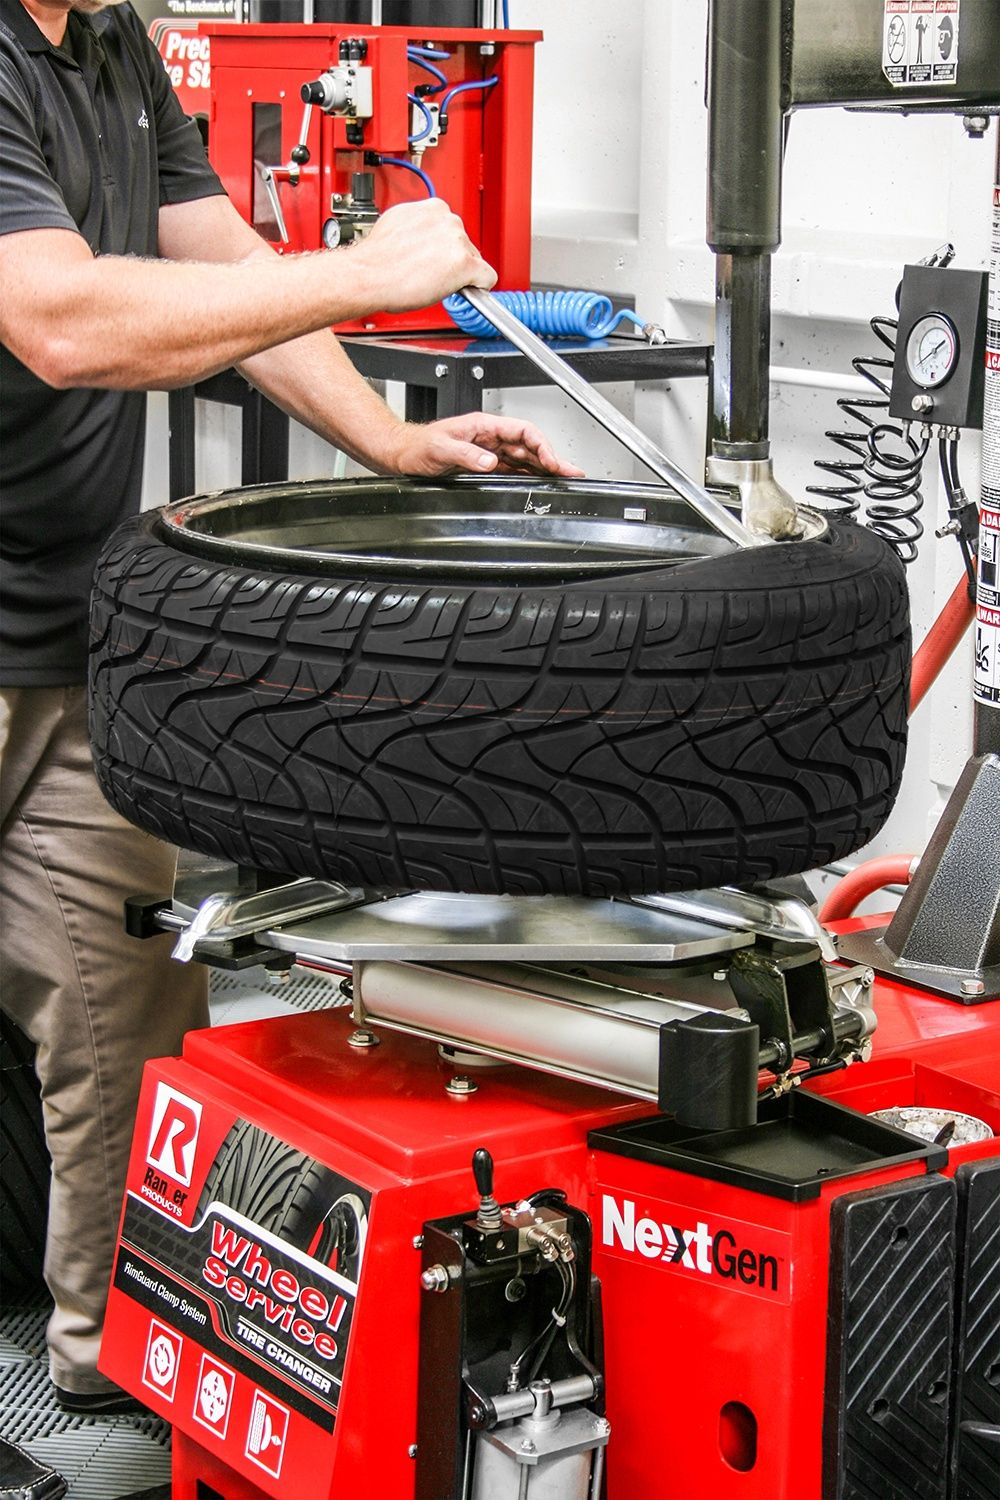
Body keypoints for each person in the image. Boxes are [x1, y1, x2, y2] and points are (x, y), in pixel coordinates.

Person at [0, 0, 581, 1411]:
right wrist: (367, 266)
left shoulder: (114, 49)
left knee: (123, 1008)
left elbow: (231, 273)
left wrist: (386, 436)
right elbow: (61, 320)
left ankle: (108, 1364)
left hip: (67, 639)